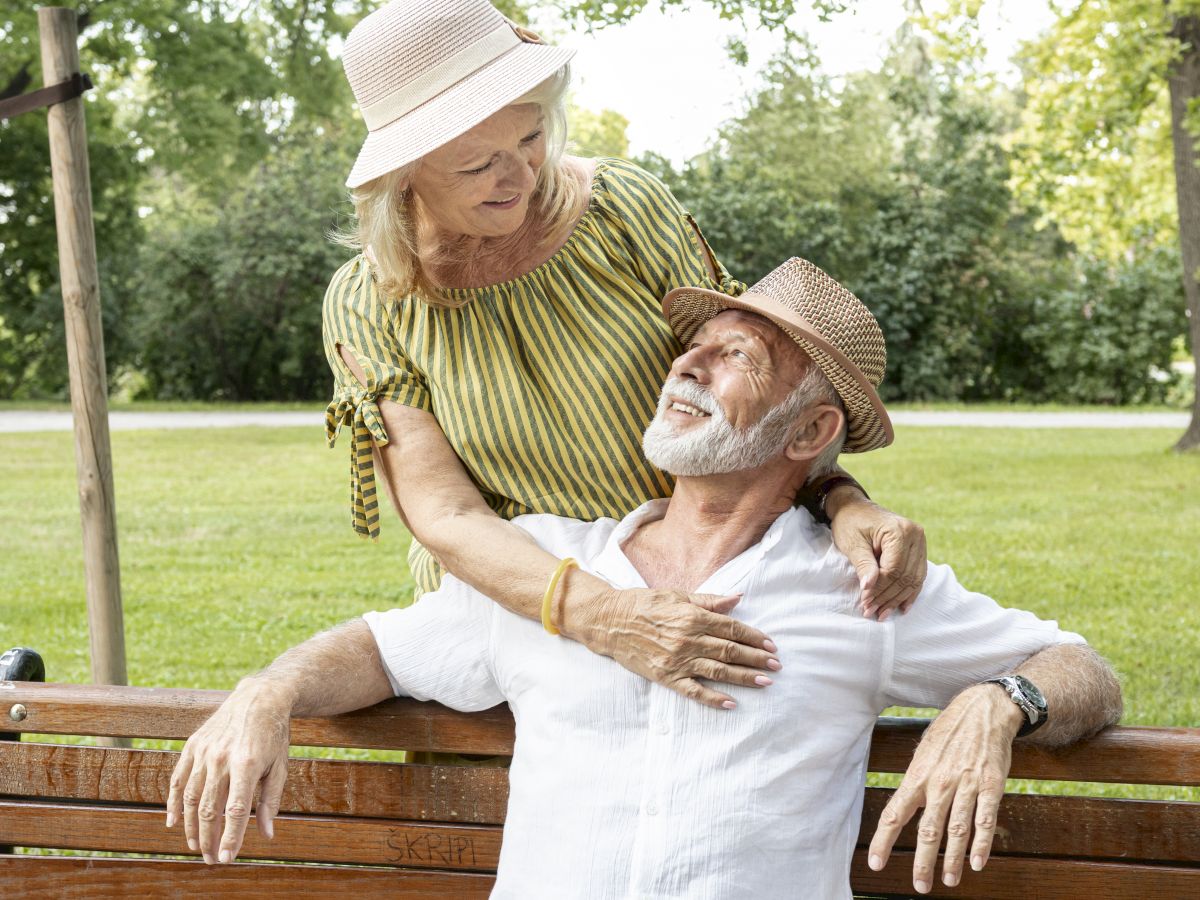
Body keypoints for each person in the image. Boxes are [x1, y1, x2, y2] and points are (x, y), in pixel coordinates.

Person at [171, 257, 1122, 898]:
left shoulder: (863, 591)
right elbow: (378, 650)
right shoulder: (546, 562)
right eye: (695, 344)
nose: (688, 363)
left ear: (808, 434)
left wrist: (998, 704)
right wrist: (269, 690)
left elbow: (1086, 670)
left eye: (735, 355)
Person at [322, 0, 929, 708]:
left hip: (695, 591)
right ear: (404, 174)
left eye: (531, 136)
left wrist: (841, 498)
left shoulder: (622, 209)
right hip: (510, 623)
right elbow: (445, 514)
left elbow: (756, 388)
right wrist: (604, 616)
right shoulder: (369, 301)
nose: (519, 174)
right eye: (479, 164)